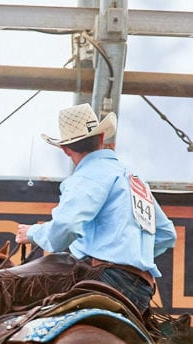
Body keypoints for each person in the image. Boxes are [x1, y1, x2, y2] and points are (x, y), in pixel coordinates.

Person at [15, 103, 177, 313]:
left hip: (103, 280)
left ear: (65, 150)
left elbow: (67, 226)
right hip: (142, 290)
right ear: (101, 138)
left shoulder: (87, 176)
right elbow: (166, 234)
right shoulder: (133, 180)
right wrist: (133, 256)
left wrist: (32, 233)